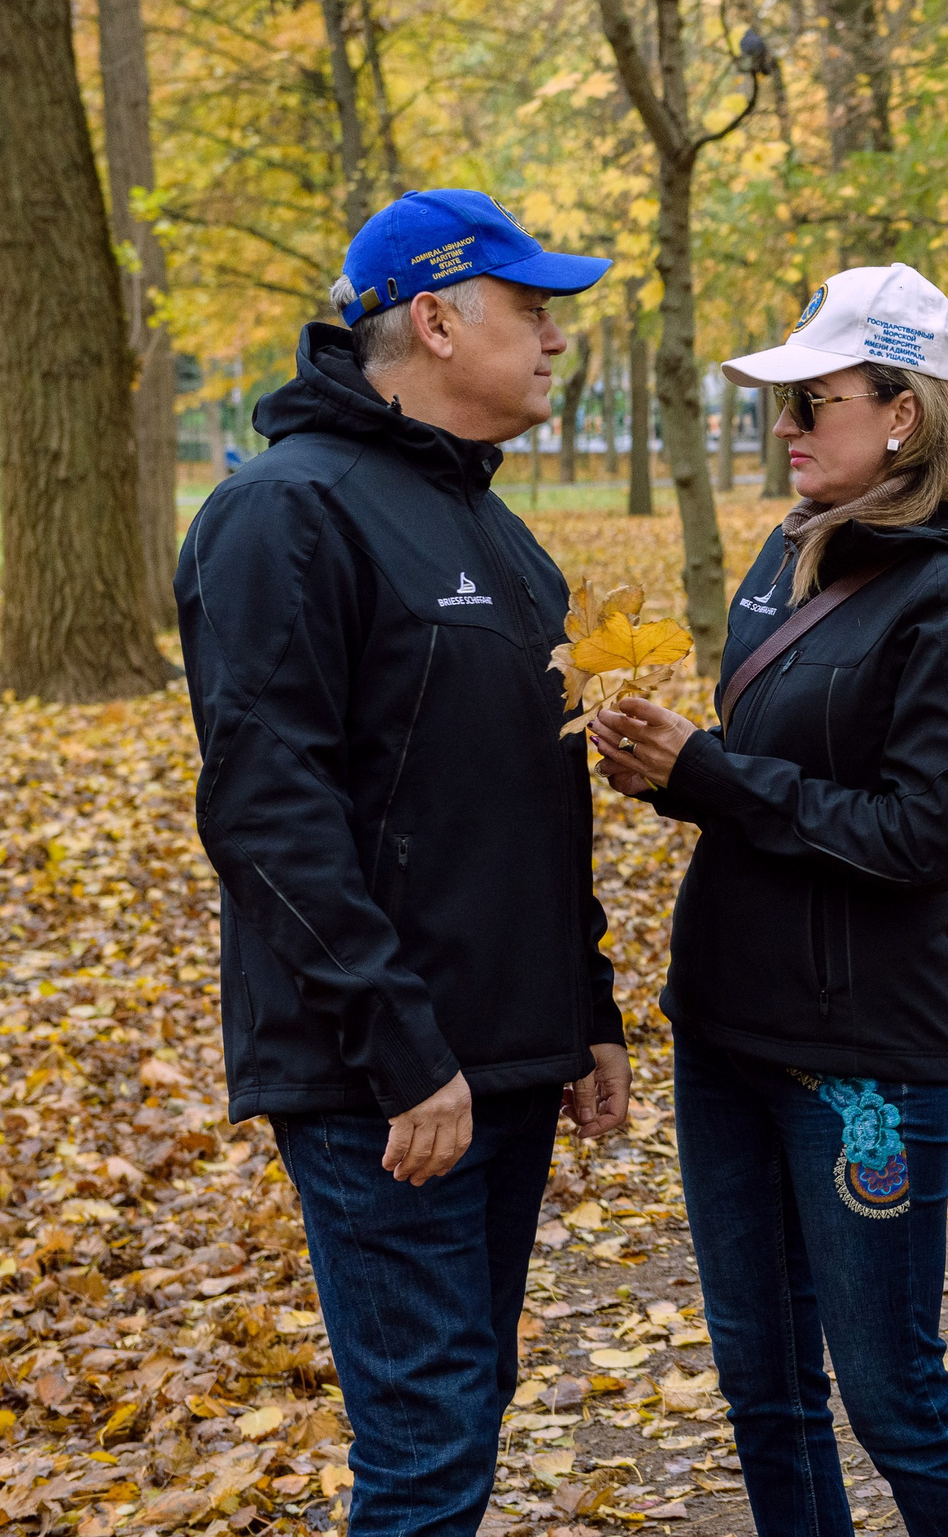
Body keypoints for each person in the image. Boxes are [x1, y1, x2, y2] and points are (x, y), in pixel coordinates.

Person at [176, 189, 632, 1536]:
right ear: (433, 318)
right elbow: (268, 806)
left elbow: (527, 796)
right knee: (427, 1443)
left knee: (462, 1407)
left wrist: (584, 1009)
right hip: (384, 1077)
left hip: (499, 1053)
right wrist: (399, 1044)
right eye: (532, 307)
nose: (557, 338)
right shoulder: (282, 513)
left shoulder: (497, 530)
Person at [590, 264, 948, 1537]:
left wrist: (713, 771)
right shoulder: (785, 557)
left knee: (893, 1395)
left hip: (858, 1060)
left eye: (811, 400)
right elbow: (760, 784)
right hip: (725, 1029)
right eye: (778, 403)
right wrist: (664, 770)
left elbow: (918, 837)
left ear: (901, 412)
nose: (784, 427)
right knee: (764, 1391)